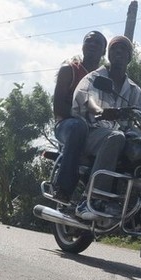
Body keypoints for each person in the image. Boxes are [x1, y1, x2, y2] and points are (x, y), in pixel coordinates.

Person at [71, 35, 141, 220]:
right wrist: (100, 110)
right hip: (91, 132)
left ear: (129, 57)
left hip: (119, 137)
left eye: (123, 50)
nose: (118, 52)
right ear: (108, 55)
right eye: (114, 49)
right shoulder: (95, 78)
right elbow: (86, 97)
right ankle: (91, 199)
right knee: (116, 137)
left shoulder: (134, 90)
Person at [51, 30, 107, 203]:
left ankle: (102, 196)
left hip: (94, 128)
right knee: (78, 126)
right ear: (82, 46)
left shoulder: (104, 78)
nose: (92, 45)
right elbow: (58, 106)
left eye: (97, 43)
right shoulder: (70, 69)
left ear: (104, 51)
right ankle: (63, 188)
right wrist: (84, 118)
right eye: (89, 41)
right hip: (67, 125)